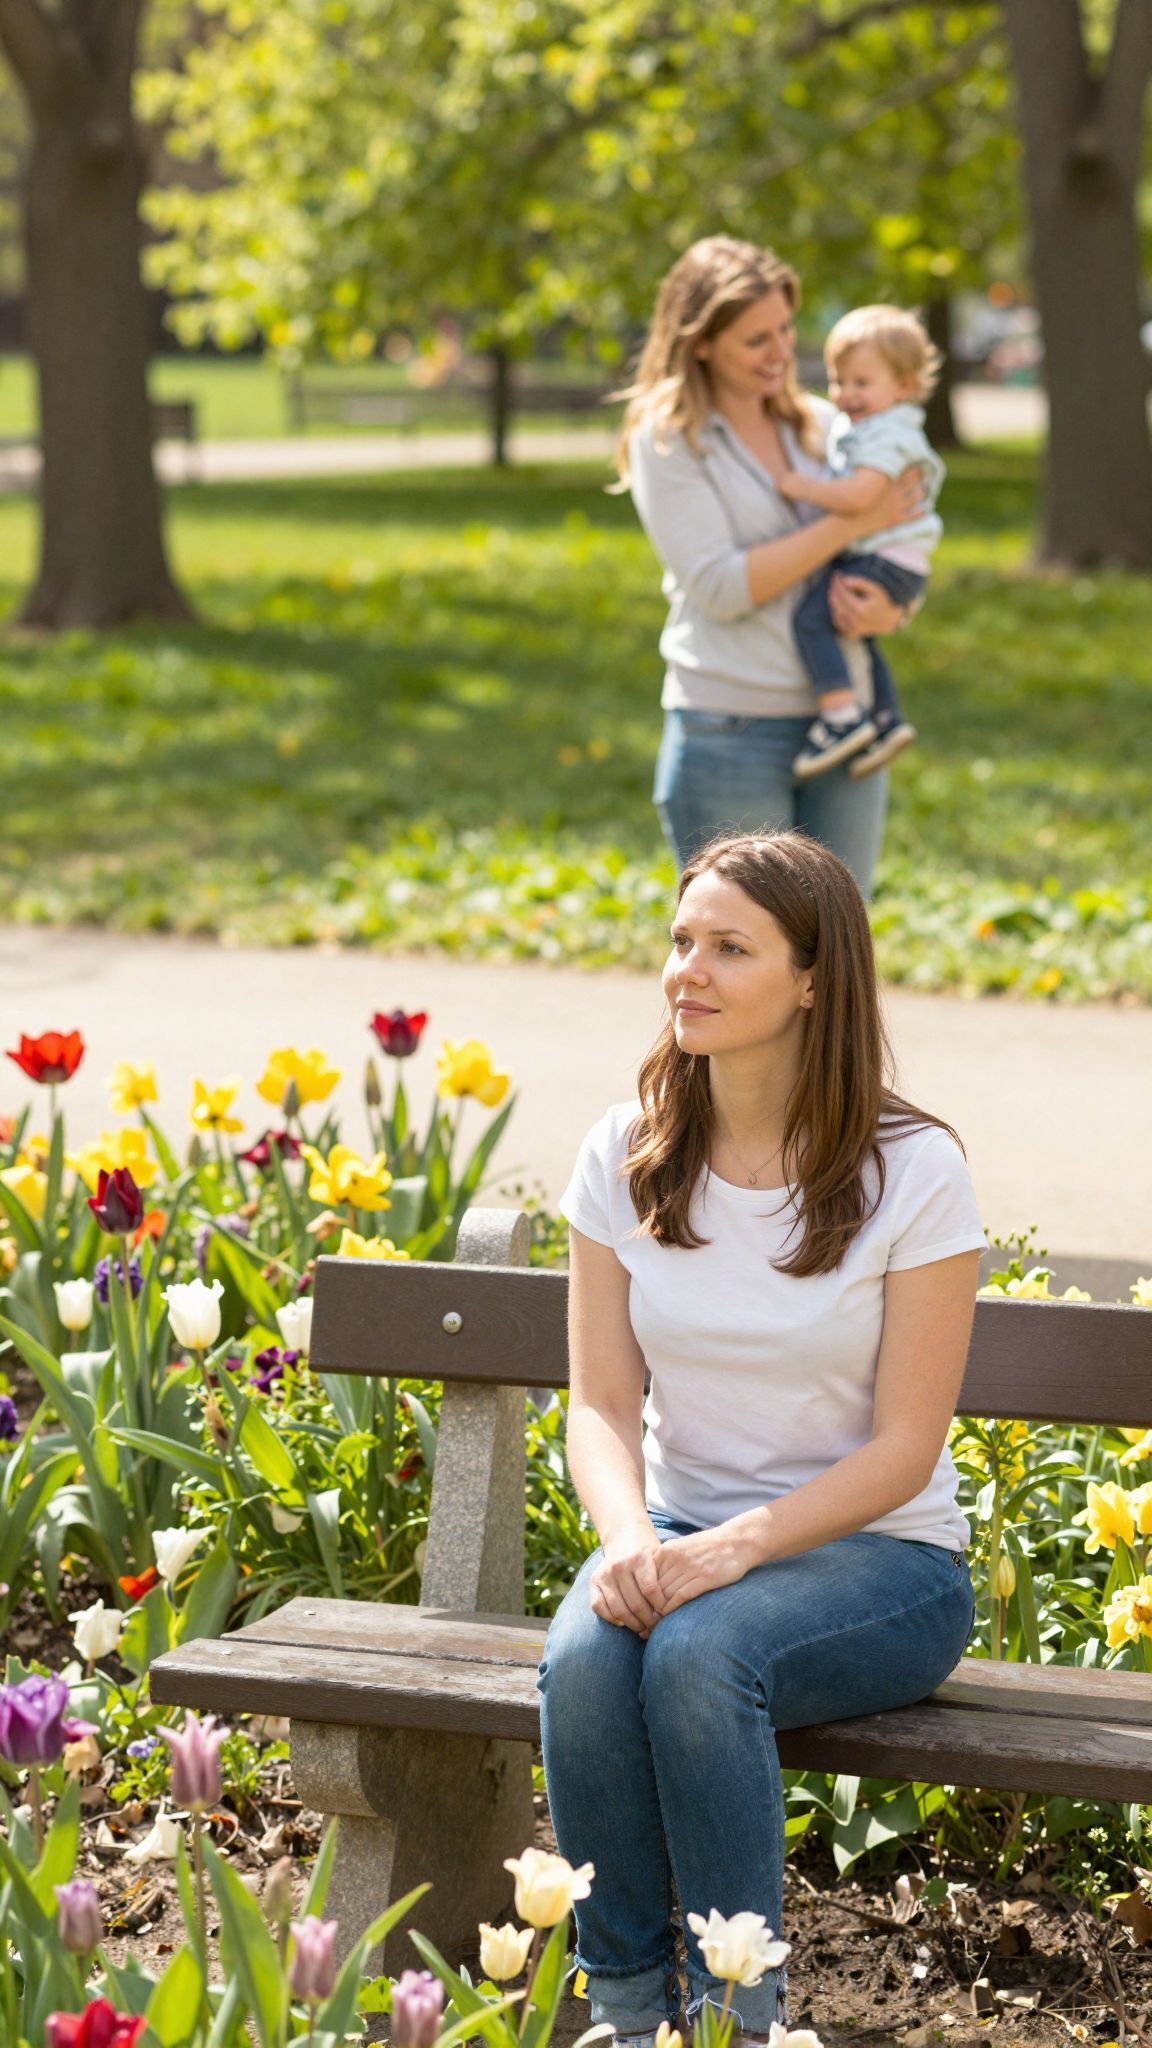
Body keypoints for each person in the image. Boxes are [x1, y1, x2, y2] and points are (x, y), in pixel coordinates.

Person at [538, 829, 985, 2047]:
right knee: (584, 1655)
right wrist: (632, 1536)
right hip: (678, 1536)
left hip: (884, 1561)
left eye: (731, 947)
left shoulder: (915, 1170)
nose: (690, 968)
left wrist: (728, 1551)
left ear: (811, 980)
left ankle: (743, 2018)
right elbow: (596, 1402)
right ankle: (630, 2014)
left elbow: (905, 1448)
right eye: (683, 940)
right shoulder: (624, 1150)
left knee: (697, 1654)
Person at [617, 236, 925, 890]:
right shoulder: (669, 440)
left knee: (838, 966)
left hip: (849, 727)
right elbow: (722, 588)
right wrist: (857, 517)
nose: (783, 352)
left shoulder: (825, 423)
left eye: (786, 329)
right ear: (701, 342)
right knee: (742, 966)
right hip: (730, 731)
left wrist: (896, 605)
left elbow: (898, 529)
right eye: (757, 339)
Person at [780, 306, 945, 783]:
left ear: (905, 386)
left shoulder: (887, 435)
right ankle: (886, 719)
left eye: (861, 383)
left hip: (882, 558)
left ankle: (841, 719)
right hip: (899, 560)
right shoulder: (874, 425)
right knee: (862, 638)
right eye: (838, 379)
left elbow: (861, 498)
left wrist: (800, 486)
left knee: (812, 619)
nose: (846, 394)